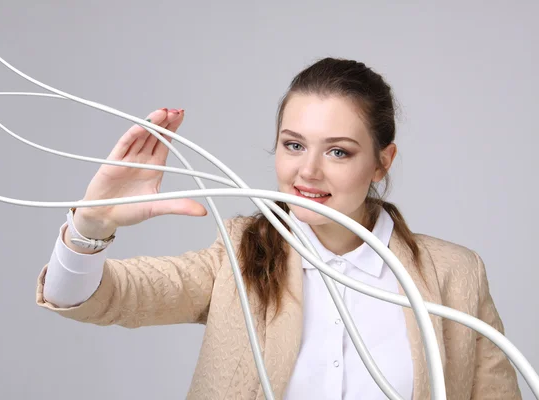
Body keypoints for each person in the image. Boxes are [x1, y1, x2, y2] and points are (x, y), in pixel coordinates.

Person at [35, 58, 522, 400]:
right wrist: (91, 223)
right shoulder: (237, 255)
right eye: (293, 145)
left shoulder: (457, 275)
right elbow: (95, 297)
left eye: (338, 151)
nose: (307, 172)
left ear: (382, 161)